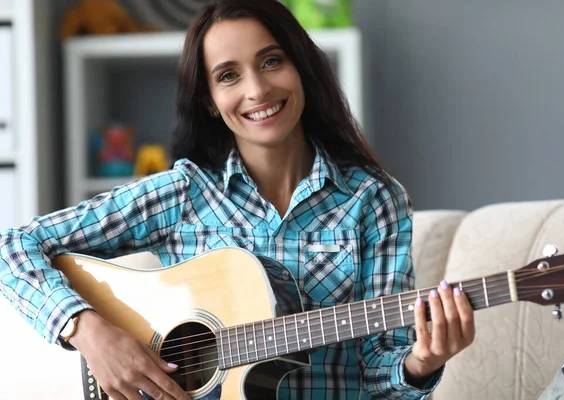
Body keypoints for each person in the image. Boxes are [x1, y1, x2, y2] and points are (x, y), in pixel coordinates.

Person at [0, 0, 475, 399]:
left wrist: (420, 361)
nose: (257, 89)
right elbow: (12, 247)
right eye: (228, 75)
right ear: (209, 99)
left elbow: (379, 377)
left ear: (302, 69)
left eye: (272, 61)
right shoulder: (183, 193)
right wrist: (91, 334)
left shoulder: (374, 200)